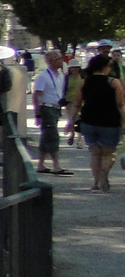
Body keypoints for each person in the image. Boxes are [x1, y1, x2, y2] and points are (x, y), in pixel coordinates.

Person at [76, 53, 125, 192]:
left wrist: (71, 120)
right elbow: (120, 104)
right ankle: (104, 173)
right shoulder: (113, 83)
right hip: (110, 121)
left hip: (89, 120)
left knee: (95, 153)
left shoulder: (85, 82)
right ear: (105, 67)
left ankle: (96, 183)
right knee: (109, 153)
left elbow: (78, 103)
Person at [32, 49, 73, 175]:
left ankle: (41, 164)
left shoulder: (61, 75)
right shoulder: (43, 76)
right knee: (53, 136)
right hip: (47, 108)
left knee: (46, 137)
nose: (61, 60)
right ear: (50, 61)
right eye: (57, 58)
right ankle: (56, 165)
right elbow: (36, 95)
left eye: (60, 58)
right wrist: (37, 114)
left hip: (56, 108)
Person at [65, 59, 86, 145]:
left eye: (76, 67)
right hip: (69, 101)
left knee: (79, 120)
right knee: (71, 119)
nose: (74, 69)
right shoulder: (66, 78)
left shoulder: (82, 77)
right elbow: (63, 89)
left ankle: (79, 140)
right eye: (72, 68)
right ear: (69, 68)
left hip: (81, 101)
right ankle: (72, 134)